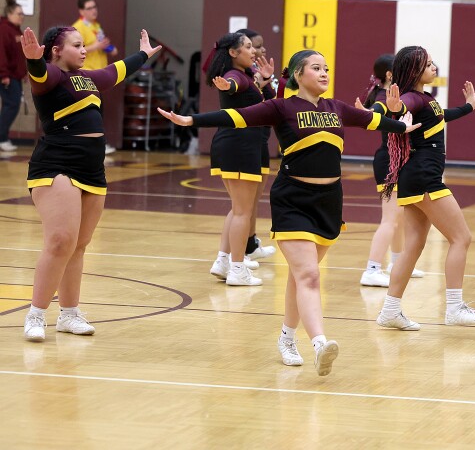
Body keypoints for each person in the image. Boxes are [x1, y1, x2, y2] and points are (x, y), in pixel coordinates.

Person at [158, 49, 421, 376]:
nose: (324, 73)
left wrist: (400, 125)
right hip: (293, 199)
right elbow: (237, 116)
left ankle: (286, 338)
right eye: (316, 68)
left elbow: (372, 120)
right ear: (298, 74)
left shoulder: (337, 108)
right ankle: (320, 343)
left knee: (302, 276)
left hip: (329, 202)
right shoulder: (281, 107)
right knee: (309, 276)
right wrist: (191, 120)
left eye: (326, 67)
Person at [21, 26, 160, 341]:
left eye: (84, 45)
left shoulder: (89, 78)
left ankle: (69, 314)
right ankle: (36, 314)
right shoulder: (53, 76)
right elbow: (39, 75)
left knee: (79, 246)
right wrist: (33, 61)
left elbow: (116, 71)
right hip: (57, 162)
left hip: (92, 168)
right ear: (56, 50)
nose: (84, 50)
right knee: (60, 241)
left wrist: (144, 54)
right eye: (76, 45)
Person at [374, 45, 475, 331]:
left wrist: (468, 108)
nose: (434, 67)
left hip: (415, 177)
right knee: (462, 237)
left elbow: (441, 115)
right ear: (414, 70)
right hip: (425, 177)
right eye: (428, 65)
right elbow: (399, 108)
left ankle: (390, 310)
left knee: (413, 245)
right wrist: (390, 109)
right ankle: (454, 307)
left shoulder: (427, 99)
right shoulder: (412, 97)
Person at [205, 32, 276, 286]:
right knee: (243, 212)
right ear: (234, 53)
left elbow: (264, 101)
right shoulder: (235, 76)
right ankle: (237, 269)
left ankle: (224, 262)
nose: (253, 51)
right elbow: (234, 84)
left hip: (239, 146)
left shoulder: (247, 75)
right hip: (239, 147)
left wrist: (265, 80)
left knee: (238, 210)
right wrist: (229, 86)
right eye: (247, 47)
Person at [357, 53, 425, 287]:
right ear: (389, 74)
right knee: (390, 219)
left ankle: (398, 263)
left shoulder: (394, 96)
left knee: (398, 218)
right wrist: (367, 114)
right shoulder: (383, 97)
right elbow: (375, 111)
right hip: (389, 161)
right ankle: (372, 269)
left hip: (394, 159)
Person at [235, 28, 277, 261]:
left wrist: (267, 81)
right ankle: (237, 255)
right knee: (244, 204)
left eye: (259, 46)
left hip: (260, 139)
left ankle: (250, 244)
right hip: (245, 143)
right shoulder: (241, 76)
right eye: (254, 46)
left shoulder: (258, 74)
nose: (260, 50)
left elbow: (272, 100)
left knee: (254, 200)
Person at [72, 0, 118, 154]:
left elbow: (101, 44)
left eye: (95, 7)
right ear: (81, 11)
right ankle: (94, 145)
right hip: (87, 74)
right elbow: (75, 49)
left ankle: (96, 144)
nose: (93, 10)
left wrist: (109, 48)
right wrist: (96, 46)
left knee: (97, 111)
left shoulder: (96, 26)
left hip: (99, 74)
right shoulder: (78, 27)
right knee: (92, 112)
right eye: (89, 8)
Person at [0, 0, 25, 152]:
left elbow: (18, 56)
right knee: (11, 105)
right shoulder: (4, 29)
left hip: (15, 75)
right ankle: (1, 138)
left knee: (11, 106)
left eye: (22, 13)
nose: (21, 16)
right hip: (7, 76)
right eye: (19, 13)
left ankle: (3, 137)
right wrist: (4, 75)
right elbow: (1, 54)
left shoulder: (17, 30)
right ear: (9, 14)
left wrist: (25, 73)